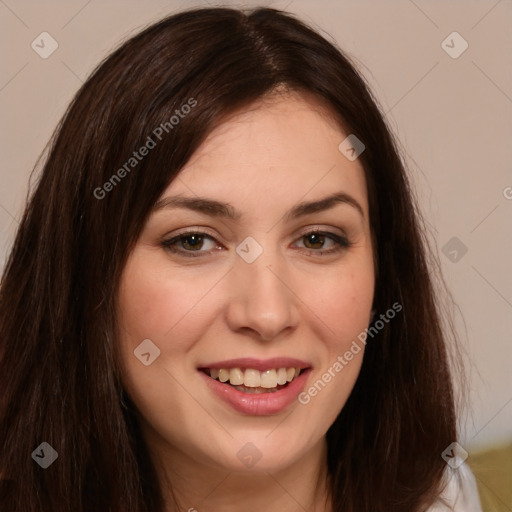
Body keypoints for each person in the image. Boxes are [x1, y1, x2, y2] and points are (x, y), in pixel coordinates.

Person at [0, 6, 482, 512]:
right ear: (86, 272)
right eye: (193, 241)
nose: (268, 314)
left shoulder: (443, 498)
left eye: (317, 240)